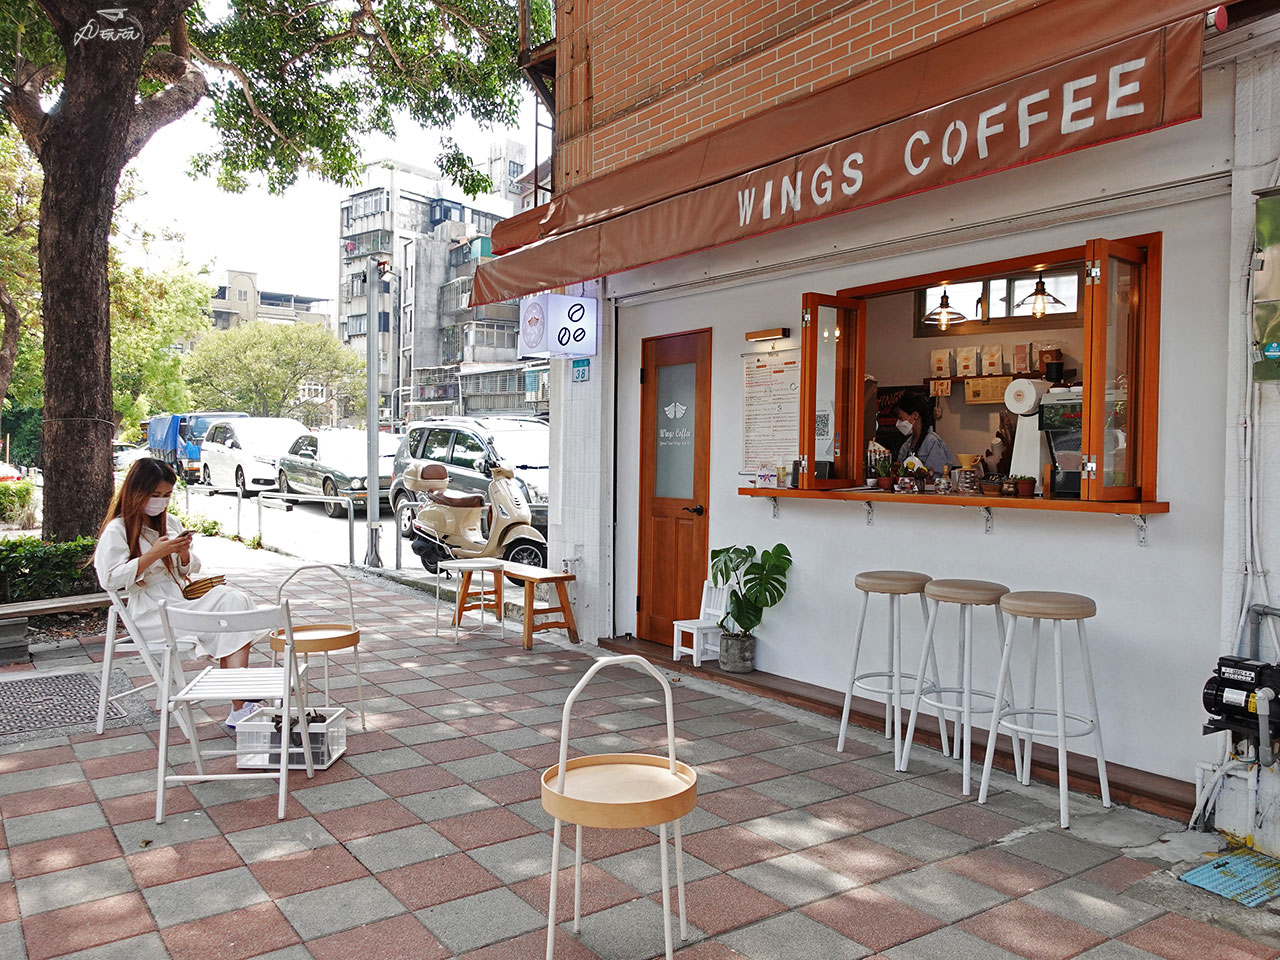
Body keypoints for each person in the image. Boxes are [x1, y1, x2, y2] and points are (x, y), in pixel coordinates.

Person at [94, 458, 262, 727]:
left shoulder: (169, 522)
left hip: (180, 599)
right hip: (151, 611)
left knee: (235, 601)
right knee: (231, 618)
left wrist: (183, 554)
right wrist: (152, 555)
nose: (161, 501)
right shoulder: (117, 530)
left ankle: (239, 702)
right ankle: (241, 704)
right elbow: (110, 579)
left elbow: (189, 569)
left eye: (167, 495)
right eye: (155, 495)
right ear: (137, 491)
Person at [894, 392, 958, 476]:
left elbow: (938, 476)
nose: (898, 423)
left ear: (915, 415)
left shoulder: (933, 442)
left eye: (901, 418)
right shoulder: (907, 444)